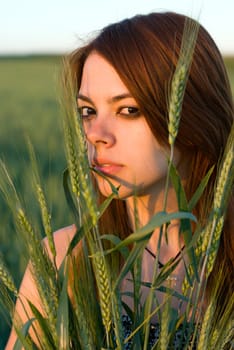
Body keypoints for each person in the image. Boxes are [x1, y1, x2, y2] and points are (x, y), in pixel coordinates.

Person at [6, 11, 233, 349]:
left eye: (128, 110)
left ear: (192, 114)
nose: (96, 135)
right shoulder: (63, 261)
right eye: (87, 111)